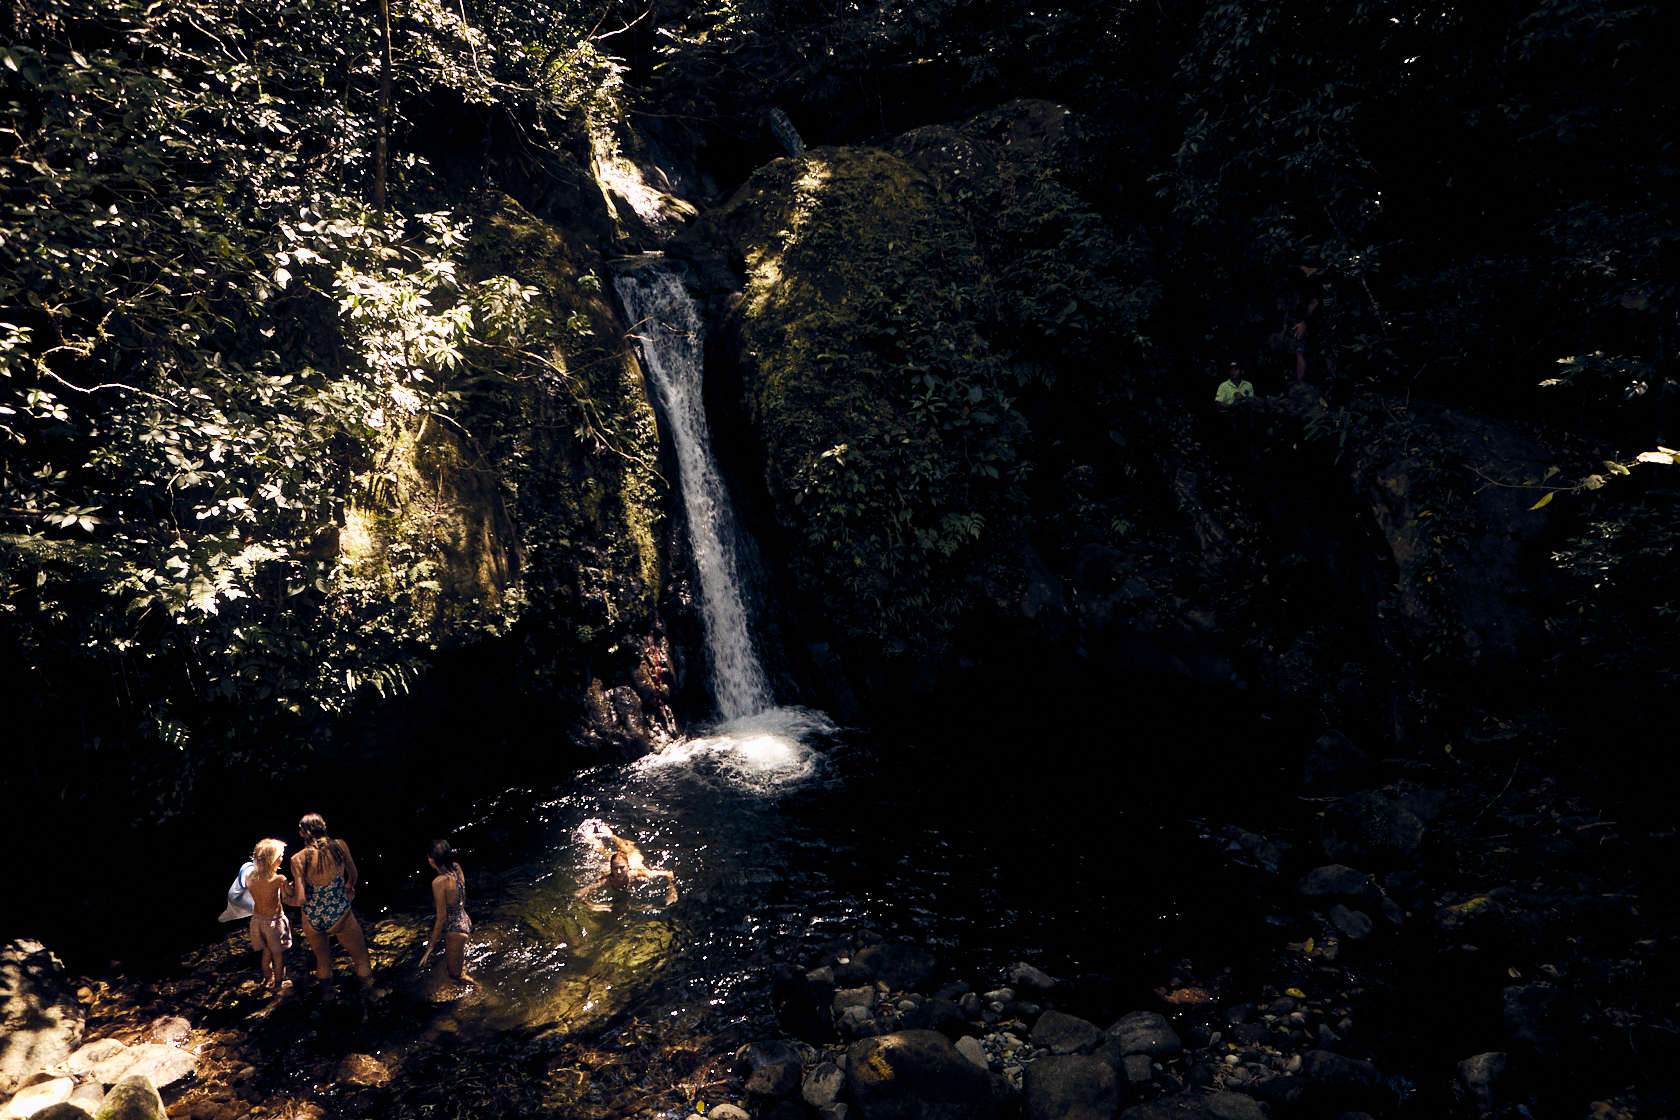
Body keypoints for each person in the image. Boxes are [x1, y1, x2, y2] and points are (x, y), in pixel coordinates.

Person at [290, 812, 373, 984]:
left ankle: (326, 996)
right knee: (362, 959)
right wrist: (349, 887)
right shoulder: (340, 845)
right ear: (324, 826)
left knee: (323, 963)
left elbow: (300, 899)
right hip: (339, 912)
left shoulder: (297, 859)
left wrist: (285, 898)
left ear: (302, 833)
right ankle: (369, 993)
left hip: (312, 917)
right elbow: (353, 874)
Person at [575, 821, 677, 906]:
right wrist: (593, 906)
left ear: (628, 867)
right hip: (622, 861)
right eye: (615, 869)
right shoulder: (608, 880)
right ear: (611, 868)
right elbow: (579, 893)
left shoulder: (638, 874)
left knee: (628, 848)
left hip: (634, 858)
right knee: (603, 853)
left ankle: (612, 836)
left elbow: (669, 873)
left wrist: (672, 891)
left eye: (622, 868)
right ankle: (592, 838)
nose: (619, 872)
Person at [418, 839, 476, 986]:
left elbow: (441, 918)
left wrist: (430, 947)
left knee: (455, 975)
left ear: (432, 860)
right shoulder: (457, 867)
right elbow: (463, 898)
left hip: (455, 929)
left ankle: (482, 991)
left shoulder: (438, 882)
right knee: (457, 967)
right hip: (464, 920)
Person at [246, 838, 293, 994]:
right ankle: (278, 984)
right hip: (274, 923)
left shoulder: (250, 877)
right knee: (278, 956)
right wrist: (291, 887)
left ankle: (267, 979)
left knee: (266, 953)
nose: (282, 858)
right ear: (273, 859)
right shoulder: (279, 879)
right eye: (281, 855)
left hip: (257, 922)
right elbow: (290, 895)